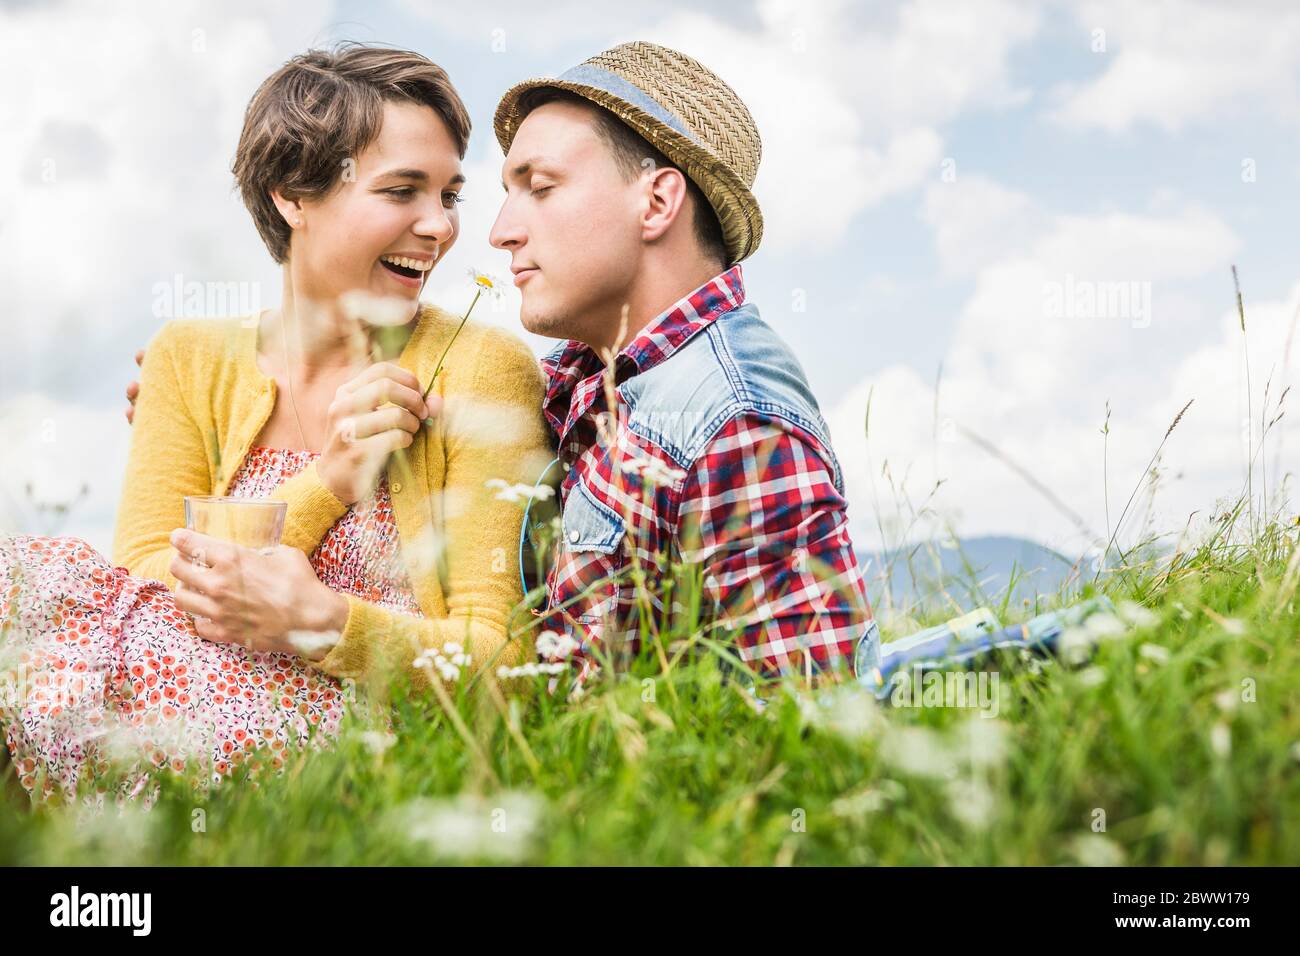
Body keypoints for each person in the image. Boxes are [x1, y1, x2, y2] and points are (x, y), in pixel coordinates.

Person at [1, 44, 553, 808]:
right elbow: (141, 590)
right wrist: (327, 481)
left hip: (356, 735)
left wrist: (326, 625)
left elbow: (503, 664)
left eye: (449, 194)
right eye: (402, 191)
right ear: (293, 195)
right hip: (179, 690)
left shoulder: (479, 365)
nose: (441, 227)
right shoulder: (189, 359)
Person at [488, 42, 877, 693]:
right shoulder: (588, 382)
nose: (501, 231)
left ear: (657, 203)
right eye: (508, 194)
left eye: (542, 187)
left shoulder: (738, 423)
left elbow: (805, 731)